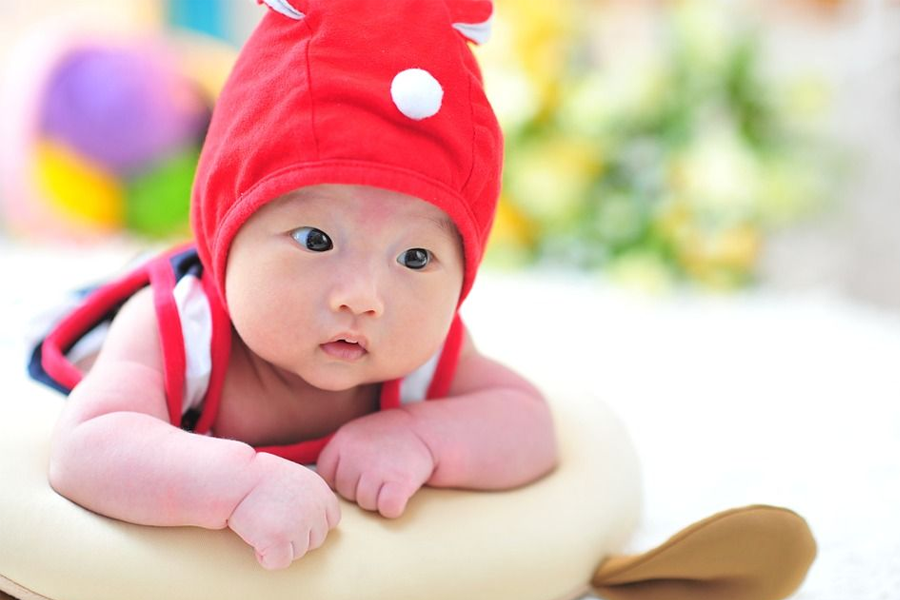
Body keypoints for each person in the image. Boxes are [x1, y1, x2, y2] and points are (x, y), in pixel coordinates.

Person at [29, 0, 558, 571]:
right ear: (227, 232)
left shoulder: (422, 352)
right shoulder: (179, 326)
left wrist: (422, 438)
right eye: (315, 240)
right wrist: (238, 485)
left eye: (415, 257)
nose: (363, 297)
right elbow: (87, 448)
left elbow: (529, 424)